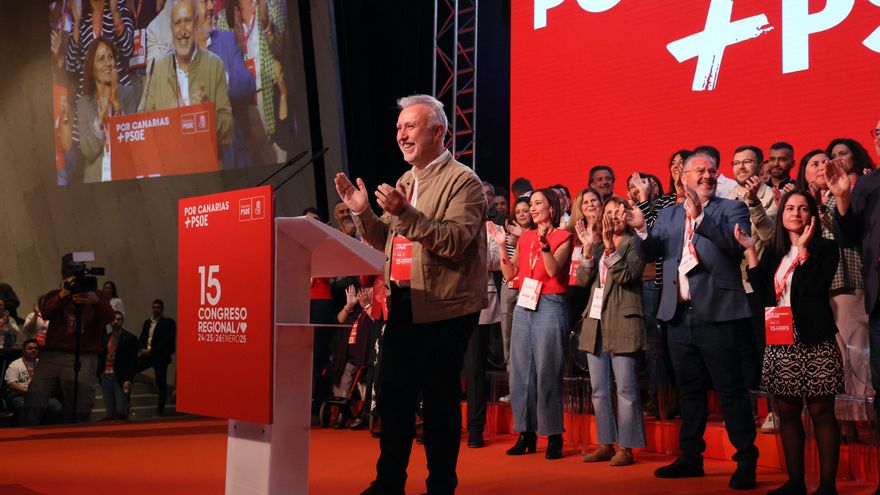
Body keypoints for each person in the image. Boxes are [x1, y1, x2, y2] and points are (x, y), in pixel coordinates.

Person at [334, 94, 486, 495]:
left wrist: (406, 213)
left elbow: (454, 241)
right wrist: (363, 212)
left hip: (444, 308)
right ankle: (389, 483)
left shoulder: (463, 181)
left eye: (410, 126)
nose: (401, 135)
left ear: (438, 131)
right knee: (393, 398)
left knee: (438, 405)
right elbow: (385, 239)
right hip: (402, 302)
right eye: (399, 127)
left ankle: (441, 486)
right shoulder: (405, 182)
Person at [626, 153, 758, 489]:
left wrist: (701, 217)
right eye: (699, 170)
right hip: (678, 314)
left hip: (719, 312)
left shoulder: (730, 208)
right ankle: (690, 457)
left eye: (712, 170)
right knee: (689, 390)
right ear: (682, 176)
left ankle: (745, 460)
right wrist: (641, 227)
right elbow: (650, 253)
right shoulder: (669, 215)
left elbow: (734, 244)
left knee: (730, 390)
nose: (707, 175)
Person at [736, 191, 843, 495]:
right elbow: (761, 291)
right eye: (790, 208)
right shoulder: (773, 251)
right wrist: (750, 252)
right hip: (780, 341)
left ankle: (826, 486)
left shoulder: (826, 249)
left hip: (815, 339)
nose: (796, 213)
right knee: (787, 413)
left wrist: (804, 250)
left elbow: (816, 286)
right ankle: (795, 482)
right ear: (781, 215)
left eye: (803, 209)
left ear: (812, 215)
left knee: (822, 412)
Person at [492, 188, 572, 460]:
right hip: (525, 305)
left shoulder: (563, 236)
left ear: (552, 208)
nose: (533, 208)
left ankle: (553, 436)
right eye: (531, 204)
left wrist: (545, 244)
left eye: (539, 203)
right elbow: (510, 272)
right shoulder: (525, 237)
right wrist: (503, 245)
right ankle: (525, 433)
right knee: (520, 372)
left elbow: (552, 270)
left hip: (550, 304)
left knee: (547, 372)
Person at [826, 133, 880, 495]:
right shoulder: (867, 184)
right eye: (878, 131)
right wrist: (843, 198)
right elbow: (849, 238)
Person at [574, 196, 647, 466]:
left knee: (626, 389)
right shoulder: (594, 246)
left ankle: (627, 447)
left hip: (623, 320)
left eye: (619, 211)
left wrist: (607, 247)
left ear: (627, 216)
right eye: (609, 211)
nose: (614, 216)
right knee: (599, 390)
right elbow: (582, 281)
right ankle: (606, 442)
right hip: (595, 321)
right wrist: (586, 249)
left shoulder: (635, 243)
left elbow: (627, 276)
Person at [22, 254, 115, 425]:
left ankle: (78, 438)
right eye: (70, 269)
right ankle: (28, 431)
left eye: (78, 269)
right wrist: (62, 295)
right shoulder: (55, 295)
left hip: (85, 353)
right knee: (36, 394)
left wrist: (94, 301)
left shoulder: (97, 296)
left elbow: (110, 317)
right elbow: (46, 312)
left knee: (80, 401)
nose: (74, 273)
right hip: (53, 353)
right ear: (63, 272)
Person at [144, 0, 233, 149]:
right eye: (178, 23)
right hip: (171, 160)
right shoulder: (157, 71)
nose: (183, 31)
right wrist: (165, 118)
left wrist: (207, 114)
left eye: (188, 22)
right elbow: (144, 124)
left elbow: (227, 131)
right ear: (170, 28)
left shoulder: (215, 64)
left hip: (207, 158)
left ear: (196, 22)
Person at [725, 145, 778, 390]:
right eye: (737, 163)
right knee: (740, 348)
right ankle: (751, 408)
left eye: (747, 162)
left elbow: (770, 235)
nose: (742, 167)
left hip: (762, 281)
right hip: (733, 284)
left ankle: (772, 406)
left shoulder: (771, 196)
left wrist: (754, 202)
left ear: (761, 166)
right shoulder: (725, 199)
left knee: (764, 344)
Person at [198, 0, 260, 169]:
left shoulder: (226, 40)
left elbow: (248, 84)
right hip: (195, 158)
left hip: (231, 157)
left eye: (211, 1)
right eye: (204, 2)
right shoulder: (175, 56)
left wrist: (219, 79)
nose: (211, 7)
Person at [77, 37, 140, 183]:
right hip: (97, 179)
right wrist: (100, 118)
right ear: (91, 69)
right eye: (101, 59)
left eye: (110, 57)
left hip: (126, 175)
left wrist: (117, 105)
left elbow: (134, 144)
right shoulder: (83, 104)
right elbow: (88, 152)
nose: (107, 63)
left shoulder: (129, 94)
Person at [464, 222, 502, 448]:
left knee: (475, 370)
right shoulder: (446, 223)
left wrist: (474, 246)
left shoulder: (491, 229)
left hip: (480, 304)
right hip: (448, 301)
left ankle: (475, 429)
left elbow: (496, 262)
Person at [499, 196, 534, 370]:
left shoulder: (537, 233)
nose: (522, 214)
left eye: (526, 210)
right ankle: (511, 377)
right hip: (509, 284)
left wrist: (523, 240)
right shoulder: (507, 233)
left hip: (530, 286)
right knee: (507, 332)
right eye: (518, 212)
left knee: (526, 333)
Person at [4, 340, 61, 424]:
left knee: (55, 405)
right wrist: (29, 392)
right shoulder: (15, 364)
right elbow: (11, 384)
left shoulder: (43, 364)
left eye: (36, 348)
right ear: (23, 350)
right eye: (30, 348)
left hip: (41, 394)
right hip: (20, 394)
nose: (33, 350)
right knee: (23, 405)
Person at [138, 299, 176, 415]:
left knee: (161, 383)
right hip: (146, 355)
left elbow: (167, 343)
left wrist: (151, 351)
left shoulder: (168, 323)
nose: (155, 310)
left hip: (159, 357)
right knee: (131, 370)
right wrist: (140, 350)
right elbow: (142, 338)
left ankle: (160, 410)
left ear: (162, 309)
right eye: (154, 307)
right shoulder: (147, 323)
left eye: (158, 307)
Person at [98, 311, 139, 420]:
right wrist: (99, 374)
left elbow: (133, 361)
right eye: (114, 319)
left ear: (123, 321)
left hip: (120, 376)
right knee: (109, 410)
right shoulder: (105, 338)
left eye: (119, 319)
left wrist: (128, 379)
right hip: (106, 376)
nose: (116, 321)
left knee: (121, 409)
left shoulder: (130, 338)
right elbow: (101, 356)